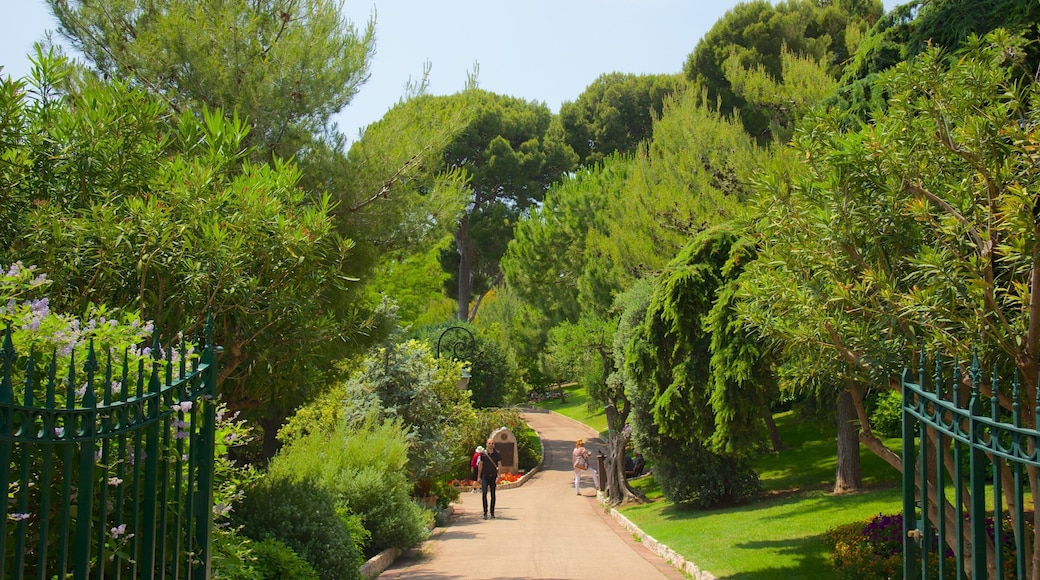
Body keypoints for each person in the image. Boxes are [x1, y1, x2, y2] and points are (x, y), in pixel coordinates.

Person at [477, 439, 502, 519]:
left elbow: (499, 465)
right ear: (486, 444)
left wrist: (498, 476)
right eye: (489, 443)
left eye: (492, 443)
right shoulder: (483, 454)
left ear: (494, 444)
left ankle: (492, 512)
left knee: (493, 494)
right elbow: (480, 465)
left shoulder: (497, 453)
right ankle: (485, 512)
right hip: (485, 476)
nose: (491, 444)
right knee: (484, 493)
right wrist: (478, 476)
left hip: (493, 476)